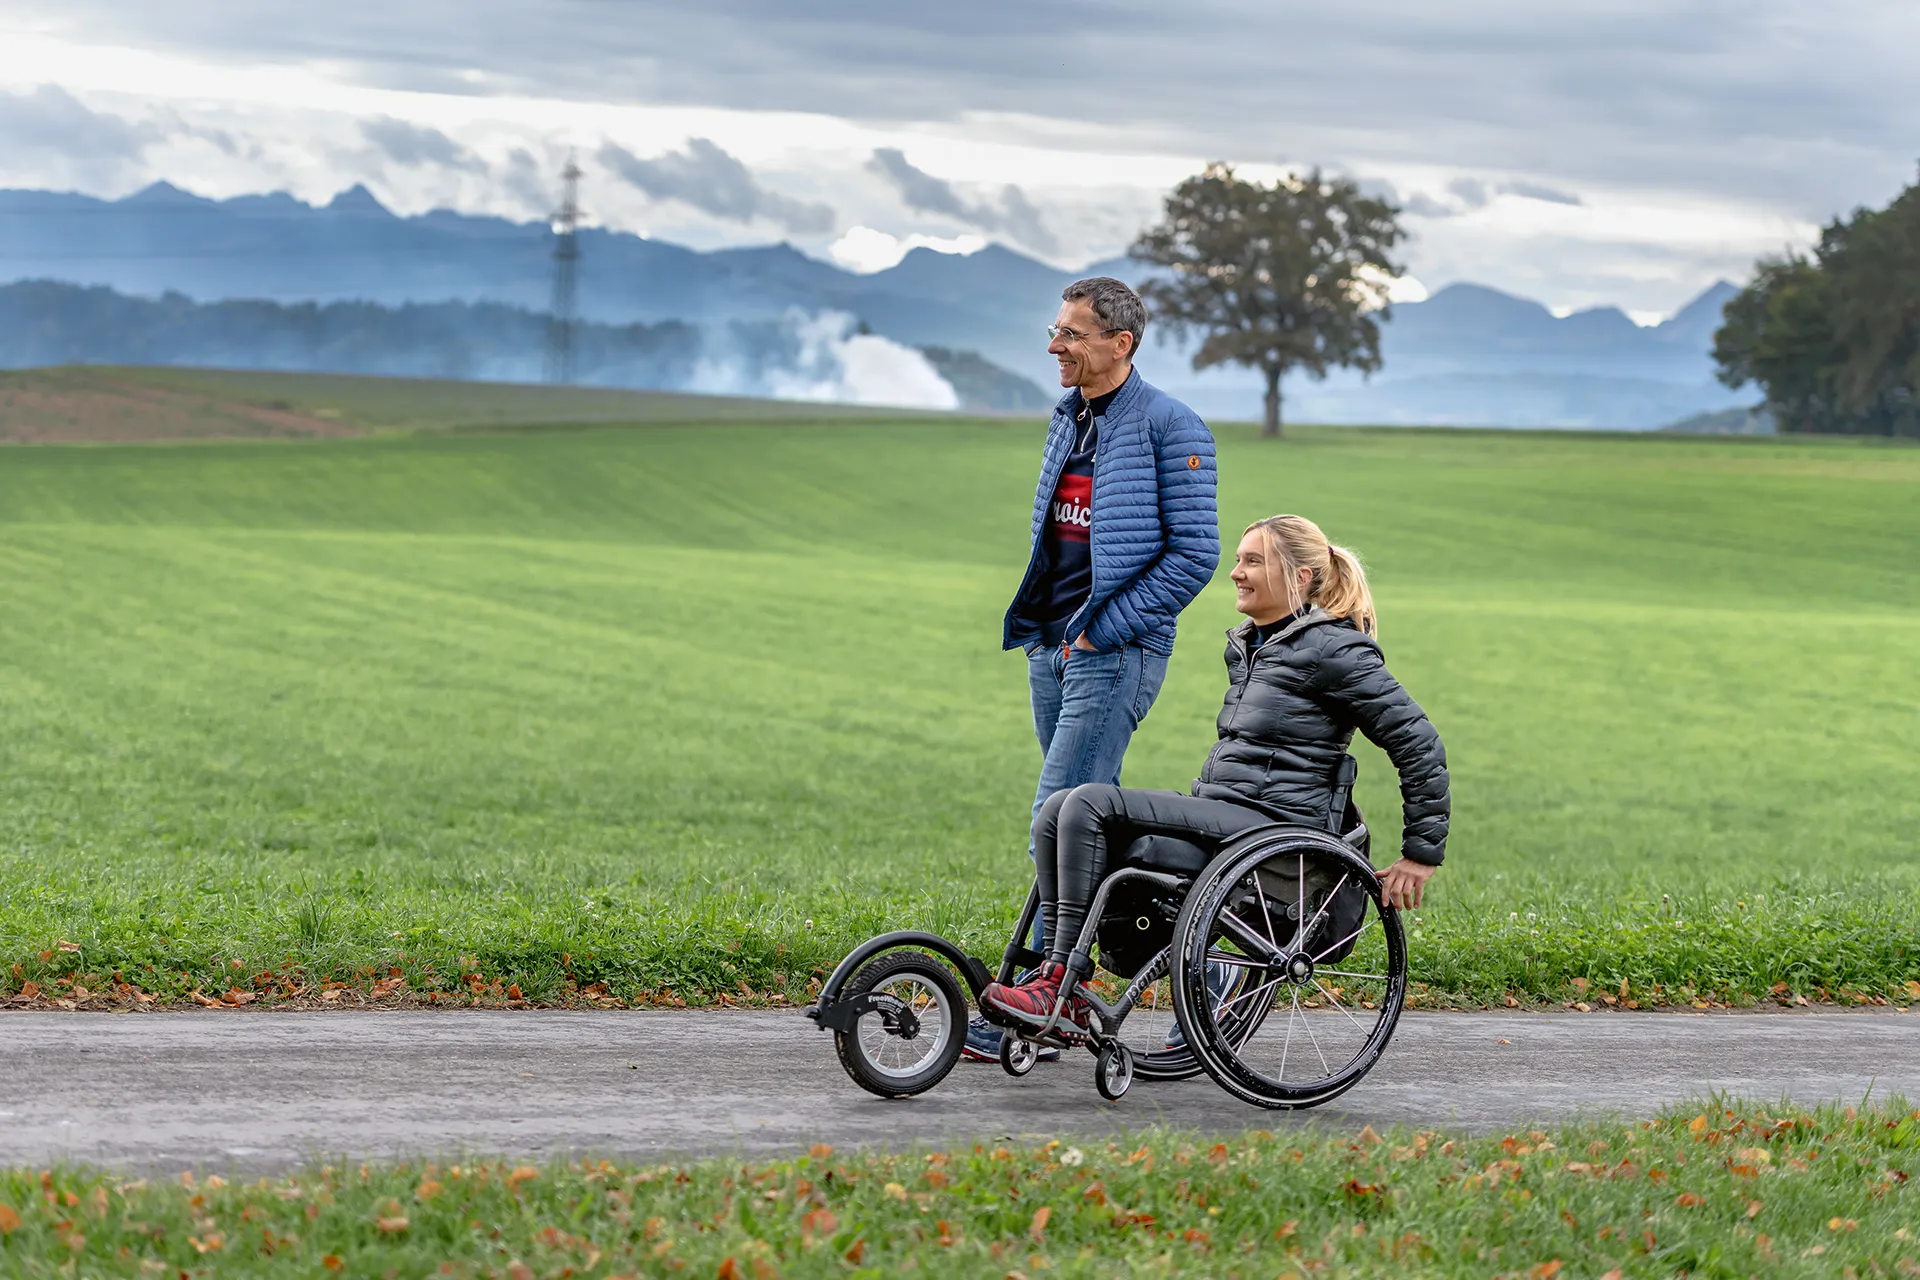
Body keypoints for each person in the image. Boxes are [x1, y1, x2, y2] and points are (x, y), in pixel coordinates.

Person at [980, 514, 1449, 1030]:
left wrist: (1419, 855)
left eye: (1253, 561)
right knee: (1056, 809)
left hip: (1275, 827)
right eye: (1238, 560)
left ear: (1298, 577)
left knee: (1090, 802)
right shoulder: (1256, 644)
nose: (1235, 573)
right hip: (1229, 815)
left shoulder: (1335, 650)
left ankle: (1060, 987)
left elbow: (1418, 741)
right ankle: (1059, 974)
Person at [964, 276, 1221, 1061]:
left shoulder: (1172, 427)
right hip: (1053, 646)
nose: (1054, 346)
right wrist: (1050, 633)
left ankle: (1049, 997)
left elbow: (1195, 557)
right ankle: (1171, 977)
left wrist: (1101, 630)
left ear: (1121, 343)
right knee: (1076, 830)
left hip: (1115, 654)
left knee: (1056, 818)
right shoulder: (1068, 417)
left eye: (1071, 334)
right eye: (1055, 329)